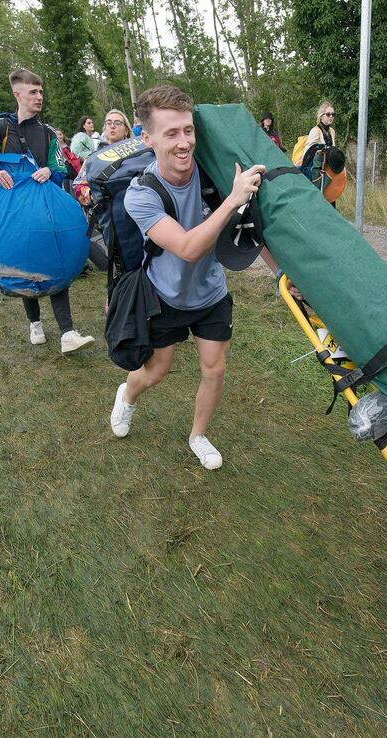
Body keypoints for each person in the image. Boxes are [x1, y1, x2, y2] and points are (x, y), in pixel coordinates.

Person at [110, 85, 286, 471]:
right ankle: (127, 395)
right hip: (165, 296)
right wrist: (231, 199)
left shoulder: (215, 173)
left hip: (210, 294)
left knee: (215, 367)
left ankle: (198, 435)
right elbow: (188, 247)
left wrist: (281, 275)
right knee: (156, 371)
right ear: (148, 137)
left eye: (188, 130)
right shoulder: (140, 194)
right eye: (171, 133)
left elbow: (252, 226)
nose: (183, 142)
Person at [0, 68, 95, 354]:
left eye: (41, 92)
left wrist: (49, 169)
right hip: (11, 212)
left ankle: (67, 333)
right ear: (17, 94)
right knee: (22, 258)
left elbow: (62, 168)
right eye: (33, 92)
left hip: (44, 209)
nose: (39, 97)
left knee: (55, 257)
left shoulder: (49, 133)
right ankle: (35, 323)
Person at [73, 108, 132, 205]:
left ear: (126, 130)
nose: (112, 126)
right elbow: (78, 185)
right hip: (107, 211)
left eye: (117, 123)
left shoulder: (137, 153)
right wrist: (93, 196)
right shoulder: (93, 157)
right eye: (108, 123)